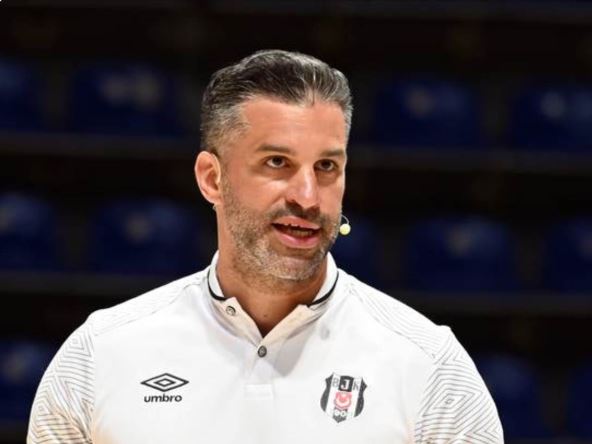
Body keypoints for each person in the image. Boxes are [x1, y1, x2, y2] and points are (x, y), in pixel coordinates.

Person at [28, 50, 503, 443]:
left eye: (327, 167)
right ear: (211, 178)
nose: (308, 197)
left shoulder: (430, 367)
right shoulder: (100, 354)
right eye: (278, 162)